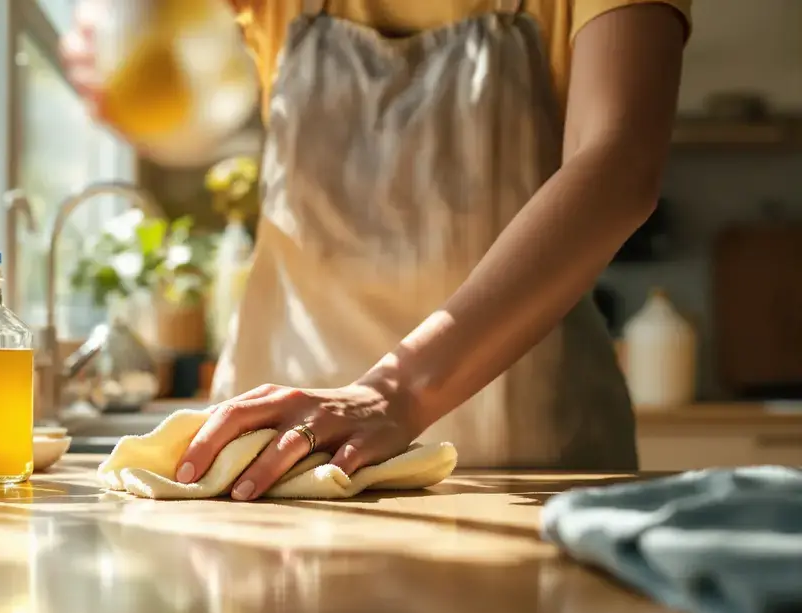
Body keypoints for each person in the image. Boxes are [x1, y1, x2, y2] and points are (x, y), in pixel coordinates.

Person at [62, 0, 690, 500]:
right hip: (281, 472)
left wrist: (397, 394)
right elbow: (168, 66)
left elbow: (620, 161)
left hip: (523, 465)